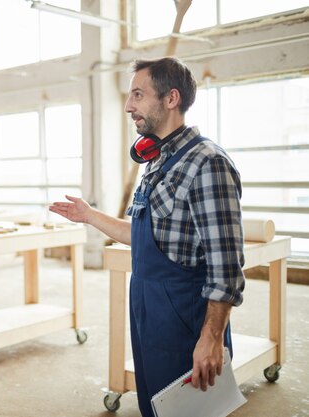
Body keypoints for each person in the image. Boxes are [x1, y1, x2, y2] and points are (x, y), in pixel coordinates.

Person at [49, 57, 245, 417]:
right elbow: (145, 237)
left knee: (190, 410)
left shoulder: (207, 163)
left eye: (138, 95)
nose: (128, 106)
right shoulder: (156, 161)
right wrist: (89, 216)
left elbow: (226, 266)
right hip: (149, 312)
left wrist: (212, 337)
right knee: (155, 405)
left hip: (185, 319)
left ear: (171, 99)